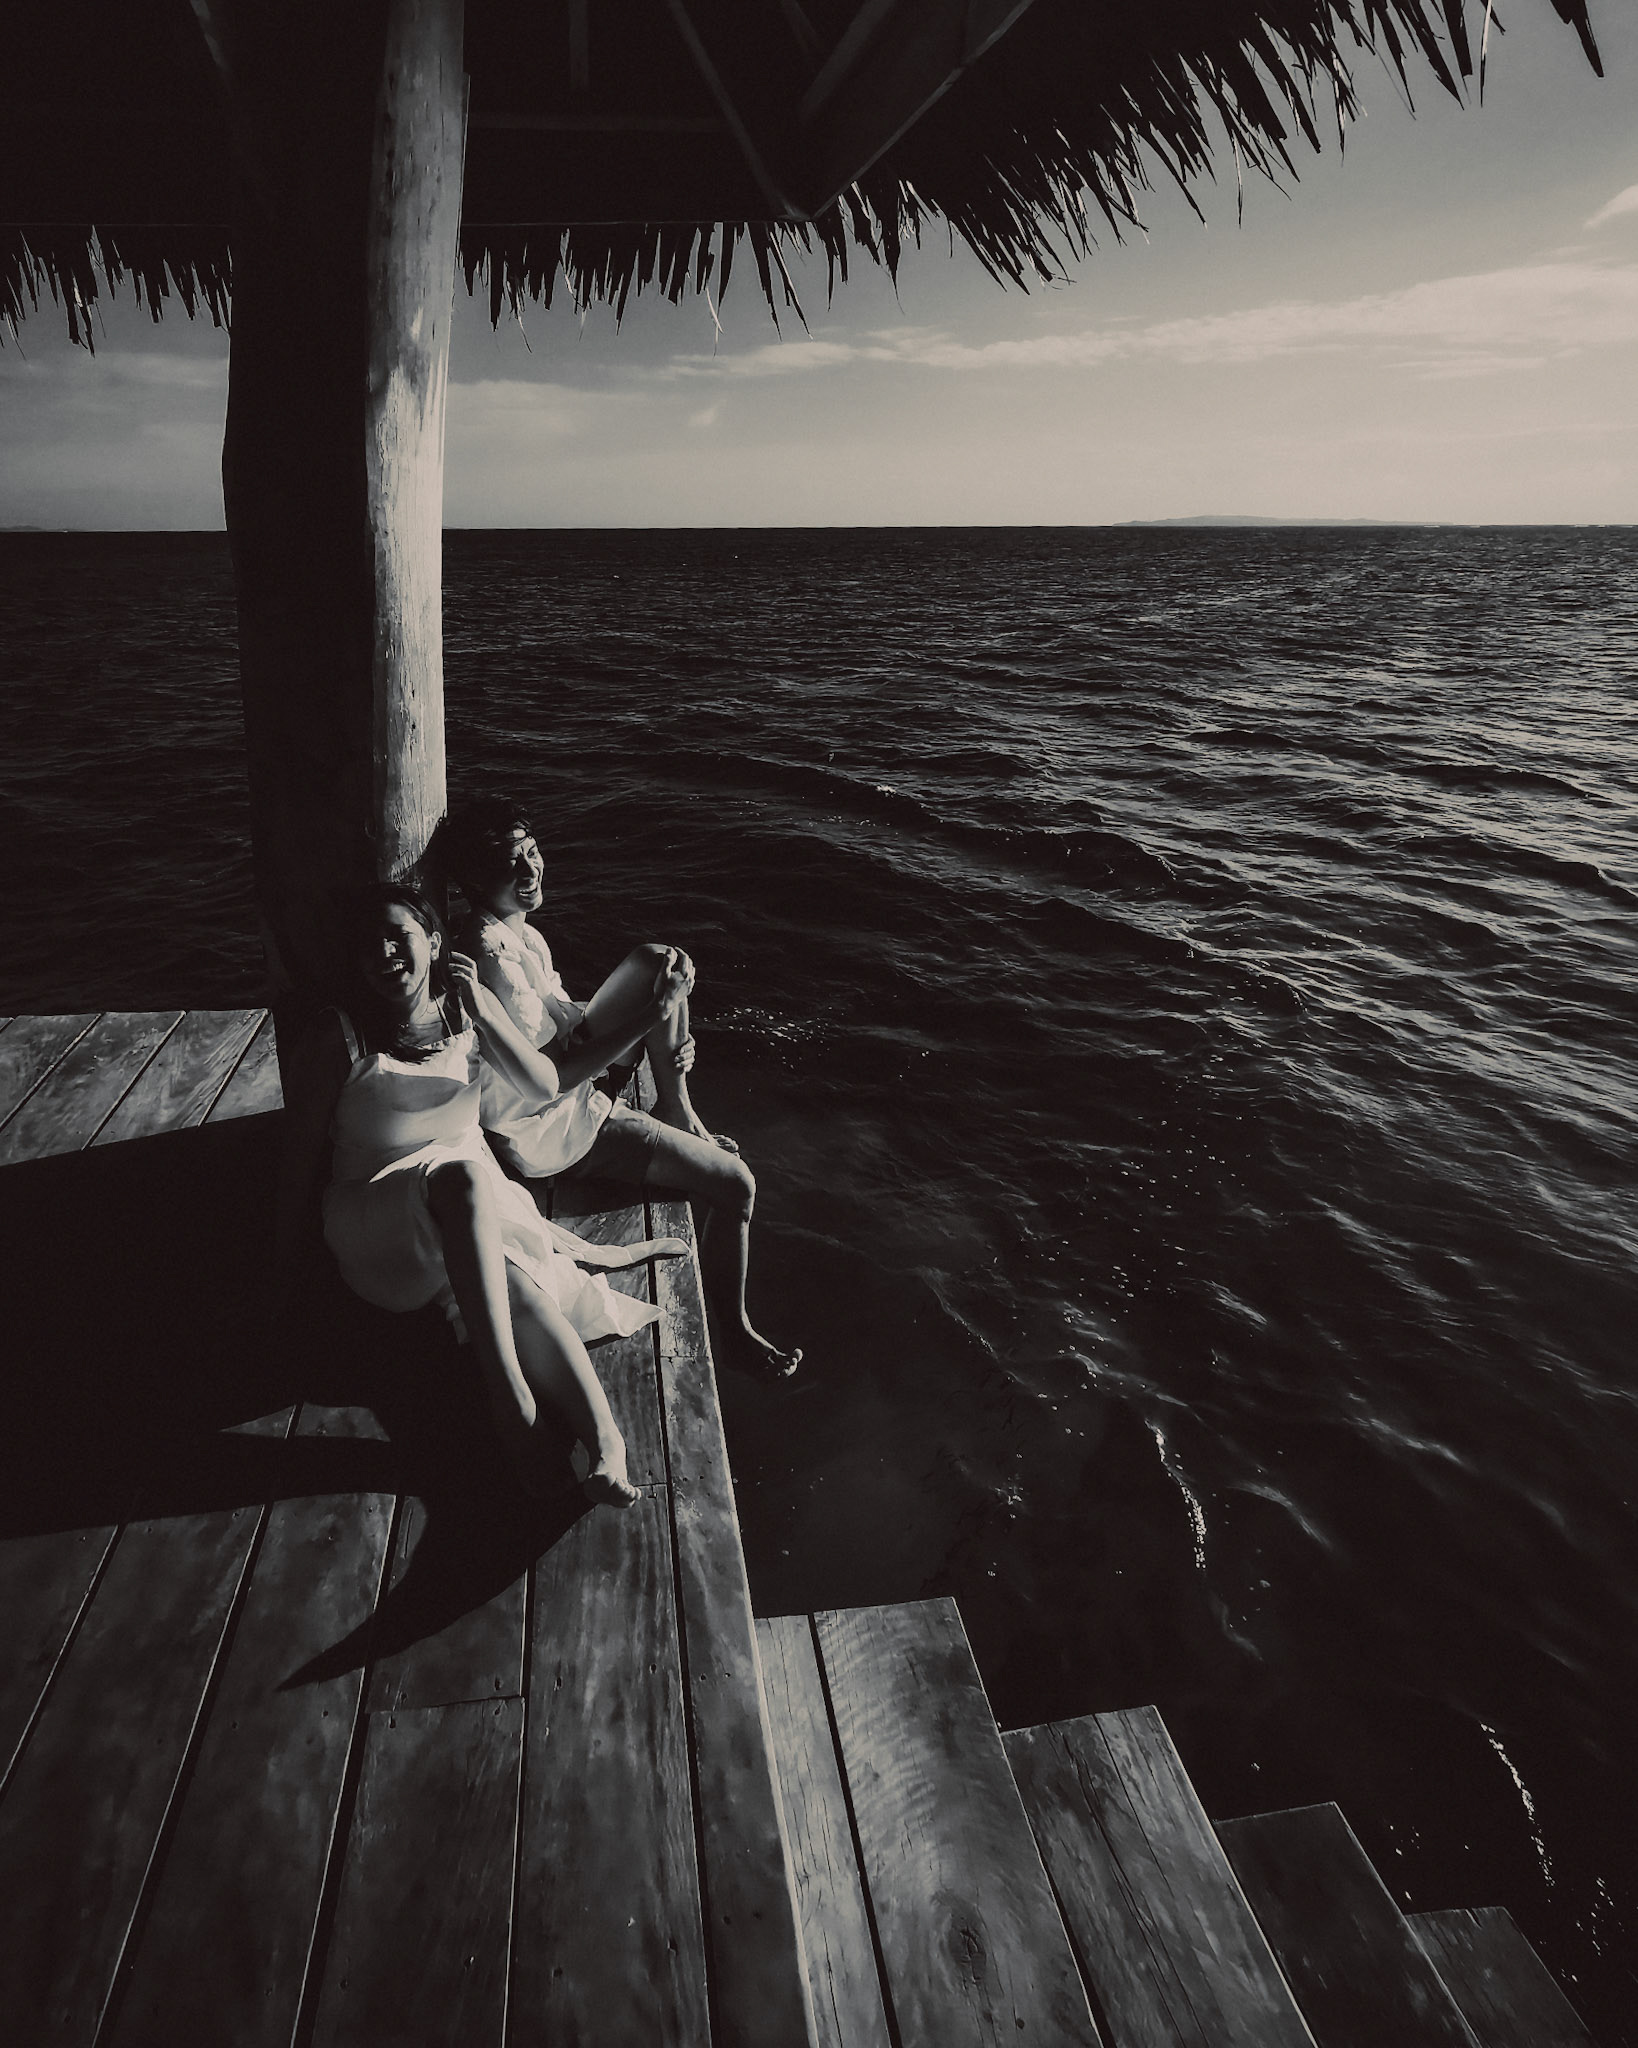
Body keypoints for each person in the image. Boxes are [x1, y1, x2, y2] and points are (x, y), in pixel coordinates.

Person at [276, 883, 689, 1506]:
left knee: (522, 1288)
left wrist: (649, 1021)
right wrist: (286, 1265)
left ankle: (609, 1446)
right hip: (376, 1211)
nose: (385, 953)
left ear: (435, 943)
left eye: (400, 937)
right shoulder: (337, 1035)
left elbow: (545, 1082)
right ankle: (511, 1408)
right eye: (369, 946)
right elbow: (300, 1157)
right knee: (463, 1179)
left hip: (467, 1201)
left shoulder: (466, 1006)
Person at [443, 797, 801, 1379]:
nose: (532, 871)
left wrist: (663, 1019)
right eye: (514, 863)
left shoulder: (517, 934)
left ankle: (676, 1106)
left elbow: (565, 1021)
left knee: (661, 962)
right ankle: (733, 1329)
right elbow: (550, 1080)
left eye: (533, 853)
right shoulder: (492, 957)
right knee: (737, 1186)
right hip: (553, 1130)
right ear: (475, 879)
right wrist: (650, 1016)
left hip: (563, 1094)